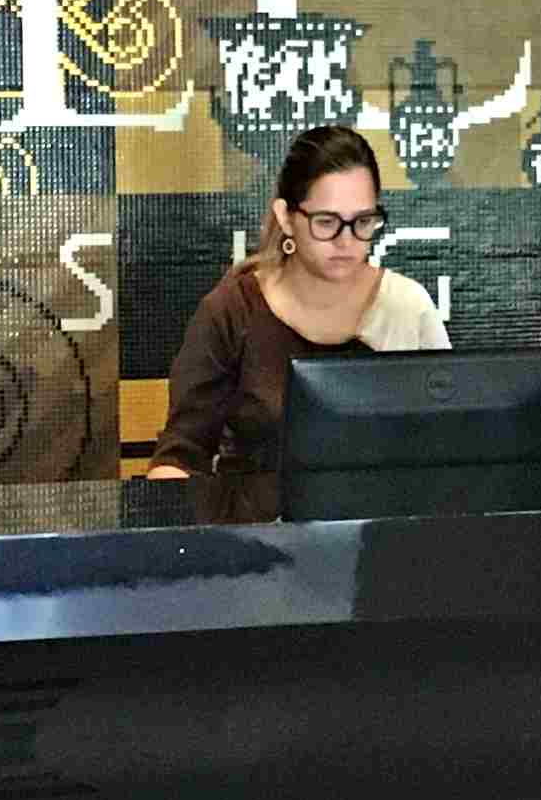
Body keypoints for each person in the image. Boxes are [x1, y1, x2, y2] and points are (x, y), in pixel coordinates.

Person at [146, 126, 447, 511]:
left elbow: (449, 451)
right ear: (286, 218)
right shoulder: (232, 310)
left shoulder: (407, 306)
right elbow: (179, 458)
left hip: (382, 536)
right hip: (256, 540)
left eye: (362, 222)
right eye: (326, 222)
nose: (345, 241)